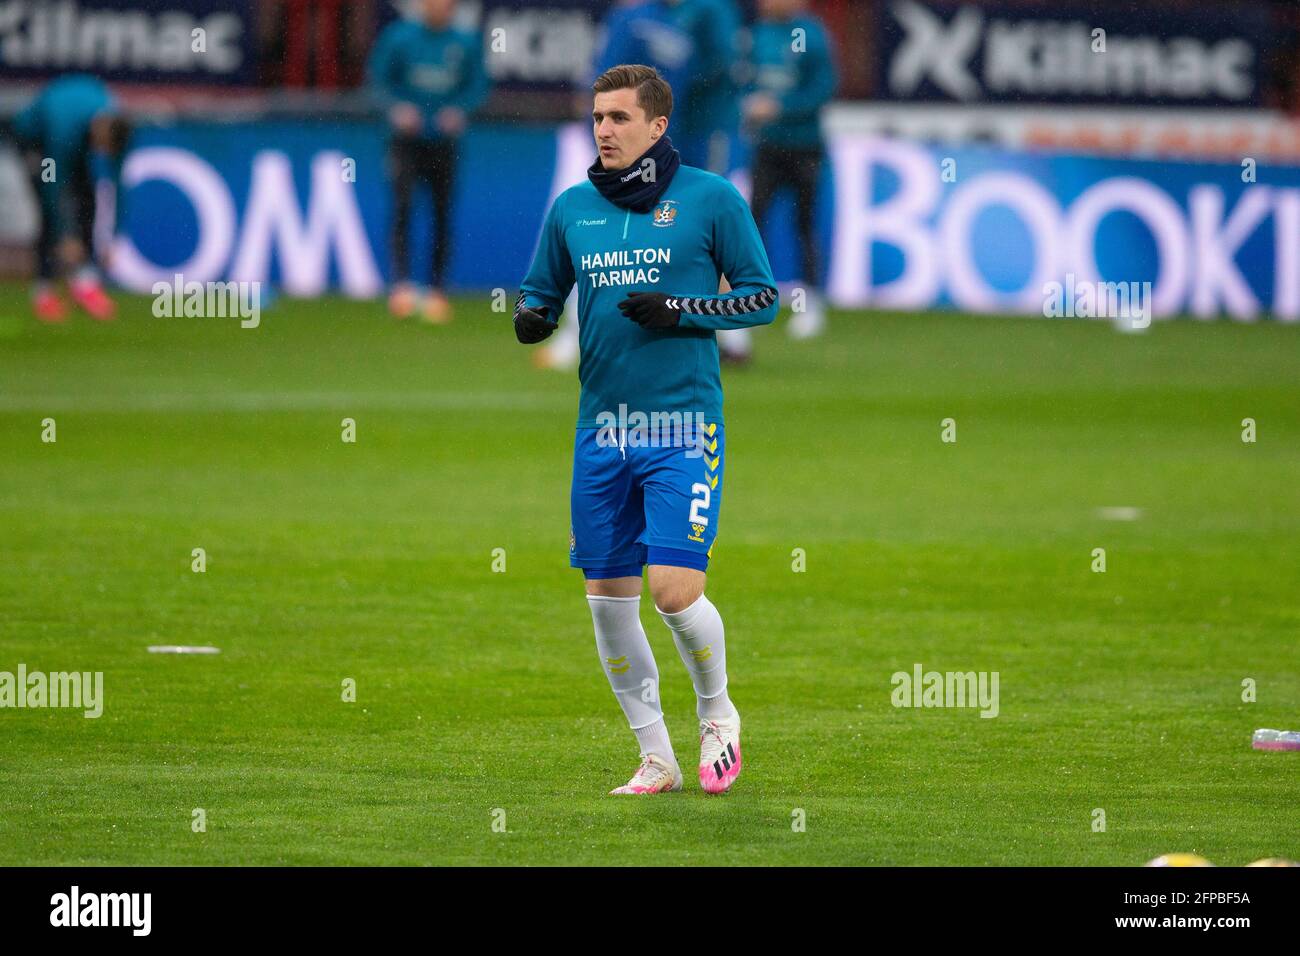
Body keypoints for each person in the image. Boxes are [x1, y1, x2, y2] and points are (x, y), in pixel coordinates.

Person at [514, 65, 778, 796]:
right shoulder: (572, 208)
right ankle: (656, 757)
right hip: (601, 431)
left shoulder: (711, 199)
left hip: (683, 428)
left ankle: (718, 711)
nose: (604, 129)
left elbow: (762, 299)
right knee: (606, 601)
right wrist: (530, 320)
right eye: (598, 117)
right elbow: (540, 293)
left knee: (672, 590)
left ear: (658, 126)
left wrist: (684, 311)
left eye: (620, 118)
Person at [534, 0, 745, 371]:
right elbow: (602, 84)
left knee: (707, 234)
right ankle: (578, 334)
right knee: (607, 240)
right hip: (638, 152)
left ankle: (728, 333)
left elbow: (726, 72)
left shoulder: (713, 14)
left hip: (694, 142)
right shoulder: (632, 19)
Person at [368, 0, 490, 323]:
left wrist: (460, 110)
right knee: (403, 208)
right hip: (406, 143)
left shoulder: (464, 42)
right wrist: (396, 109)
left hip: (444, 144)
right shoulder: (398, 38)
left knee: (441, 213)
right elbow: (378, 82)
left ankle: (436, 290)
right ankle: (403, 287)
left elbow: (478, 87)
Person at [738, 0, 838, 343]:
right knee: (753, 223)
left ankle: (809, 304)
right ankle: (747, 299)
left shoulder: (811, 34)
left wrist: (780, 108)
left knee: (805, 223)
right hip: (768, 147)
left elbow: (822, 89)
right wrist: (749, 105)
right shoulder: (757, 34)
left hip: (804, 146)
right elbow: (744, 81)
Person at [10, 74, 130, 323]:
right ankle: (43, 292)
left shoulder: (119, 126)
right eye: (102, 145)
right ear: (100, 128)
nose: (102, 152)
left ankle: (85, 281)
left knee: (89, 198)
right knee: (48, 210)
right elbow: (53, 185)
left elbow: (119, 184)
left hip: (71, 138)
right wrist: (66, 235)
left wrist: (114, 239)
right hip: (36, 142)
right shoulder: (62, 129)